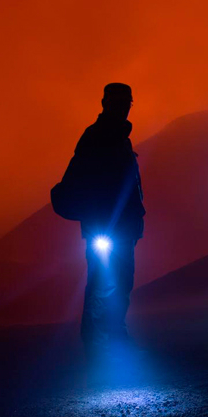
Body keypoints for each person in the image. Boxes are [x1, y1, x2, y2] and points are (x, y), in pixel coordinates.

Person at [67, 83, 145, 351]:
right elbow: (83, 180)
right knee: (102, 283)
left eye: (126, 103)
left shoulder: (120, 140)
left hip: (122, 227)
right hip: (105, 227)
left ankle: (112, 336)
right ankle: (96, 342)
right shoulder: (95, 137)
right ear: (105, 103)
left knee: (120, 282)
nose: (123, 108)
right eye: (118, 102)